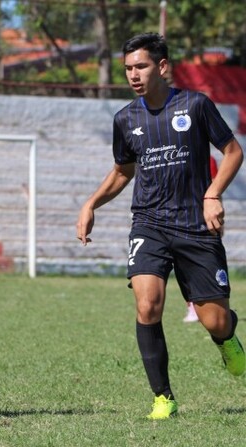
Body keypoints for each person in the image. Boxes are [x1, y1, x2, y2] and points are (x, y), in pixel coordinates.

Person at [76, 33, 245, 420]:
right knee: (147, 304)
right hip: (149, 224)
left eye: (141, 66)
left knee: (214, 319)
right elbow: (123, 171)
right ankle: (163, 397)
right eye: (128, 69)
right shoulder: (125, 119)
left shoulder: (196, 105)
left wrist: (213, 193)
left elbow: (233, 152)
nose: (134, 75)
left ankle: (227, 333)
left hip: (194, 226)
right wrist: (91, 203)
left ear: (162, 66)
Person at [183, 156, 219, 323]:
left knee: (205, 267)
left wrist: (217, 216)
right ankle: (192, 306)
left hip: (201, 218)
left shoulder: (209, 159)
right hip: (175, 217)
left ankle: (212, 304)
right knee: (184, 268)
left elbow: (215, 188)